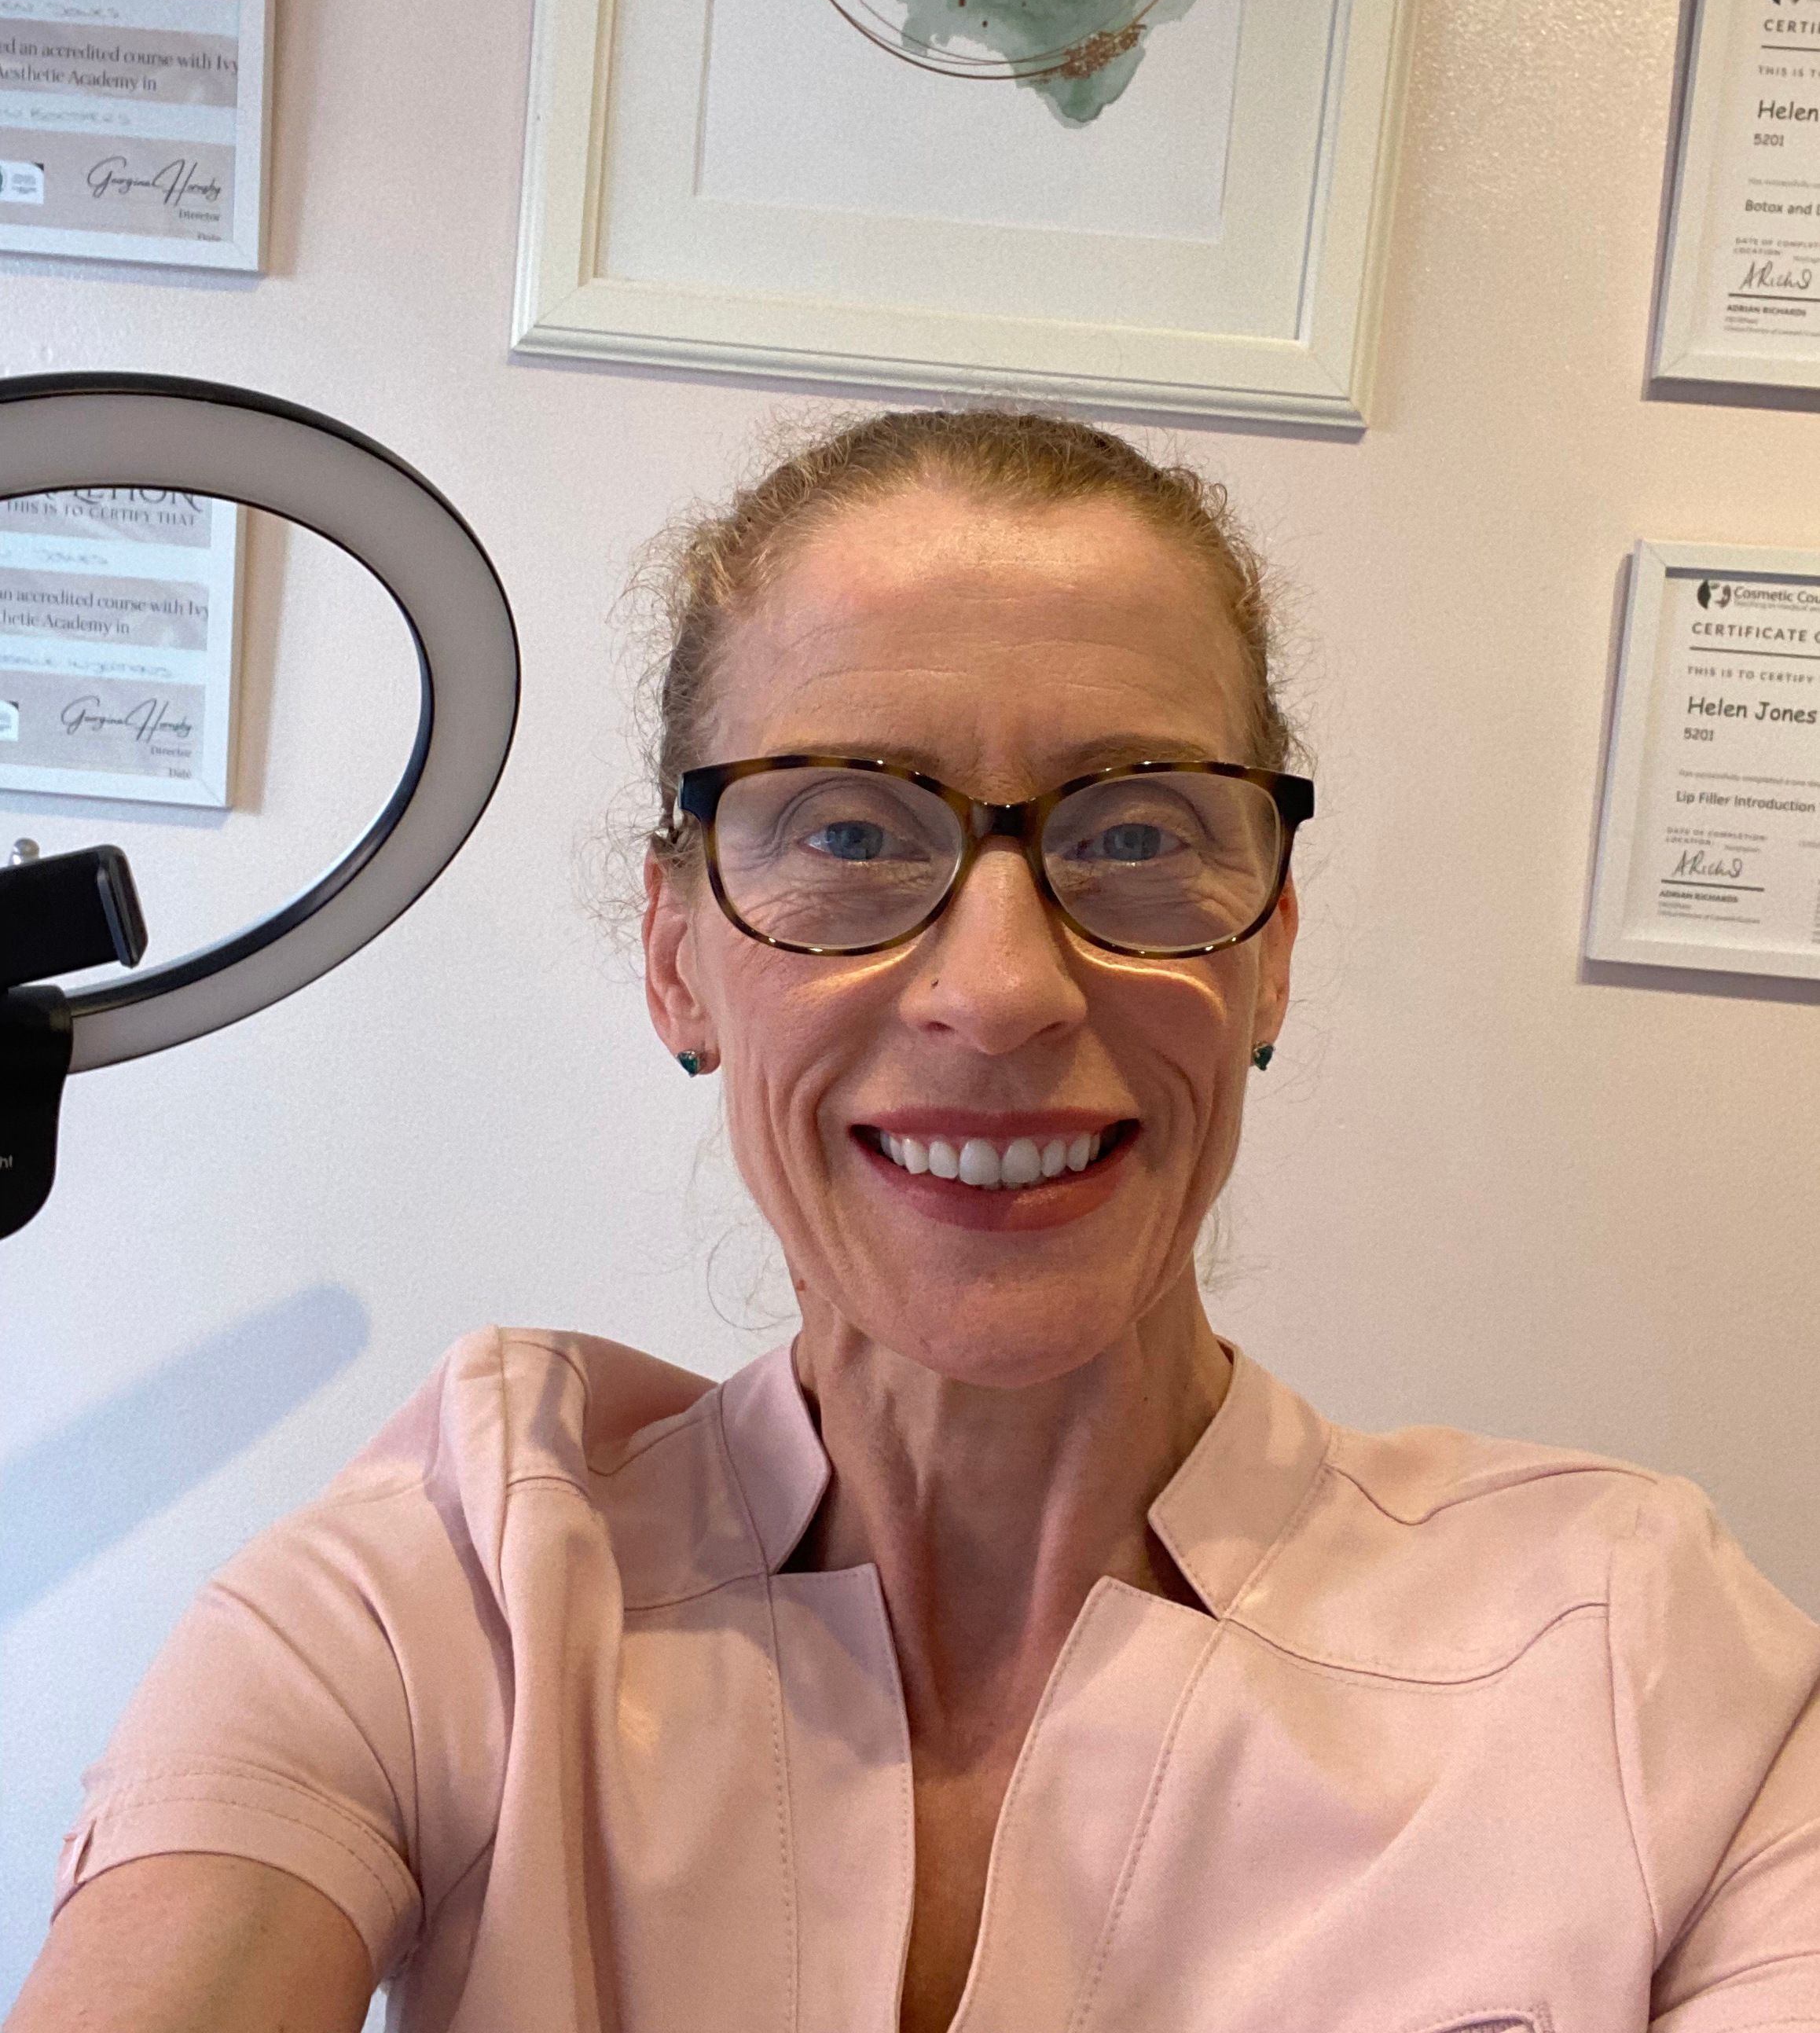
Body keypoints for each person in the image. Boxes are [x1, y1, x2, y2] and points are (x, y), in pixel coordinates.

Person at [8, 407, 1818, 2033]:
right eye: (852, 834)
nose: (1005, 987)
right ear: (676, 954)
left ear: (1268, 950)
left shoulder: (1633, 1656)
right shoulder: (449, 1598)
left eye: (1136, 834)